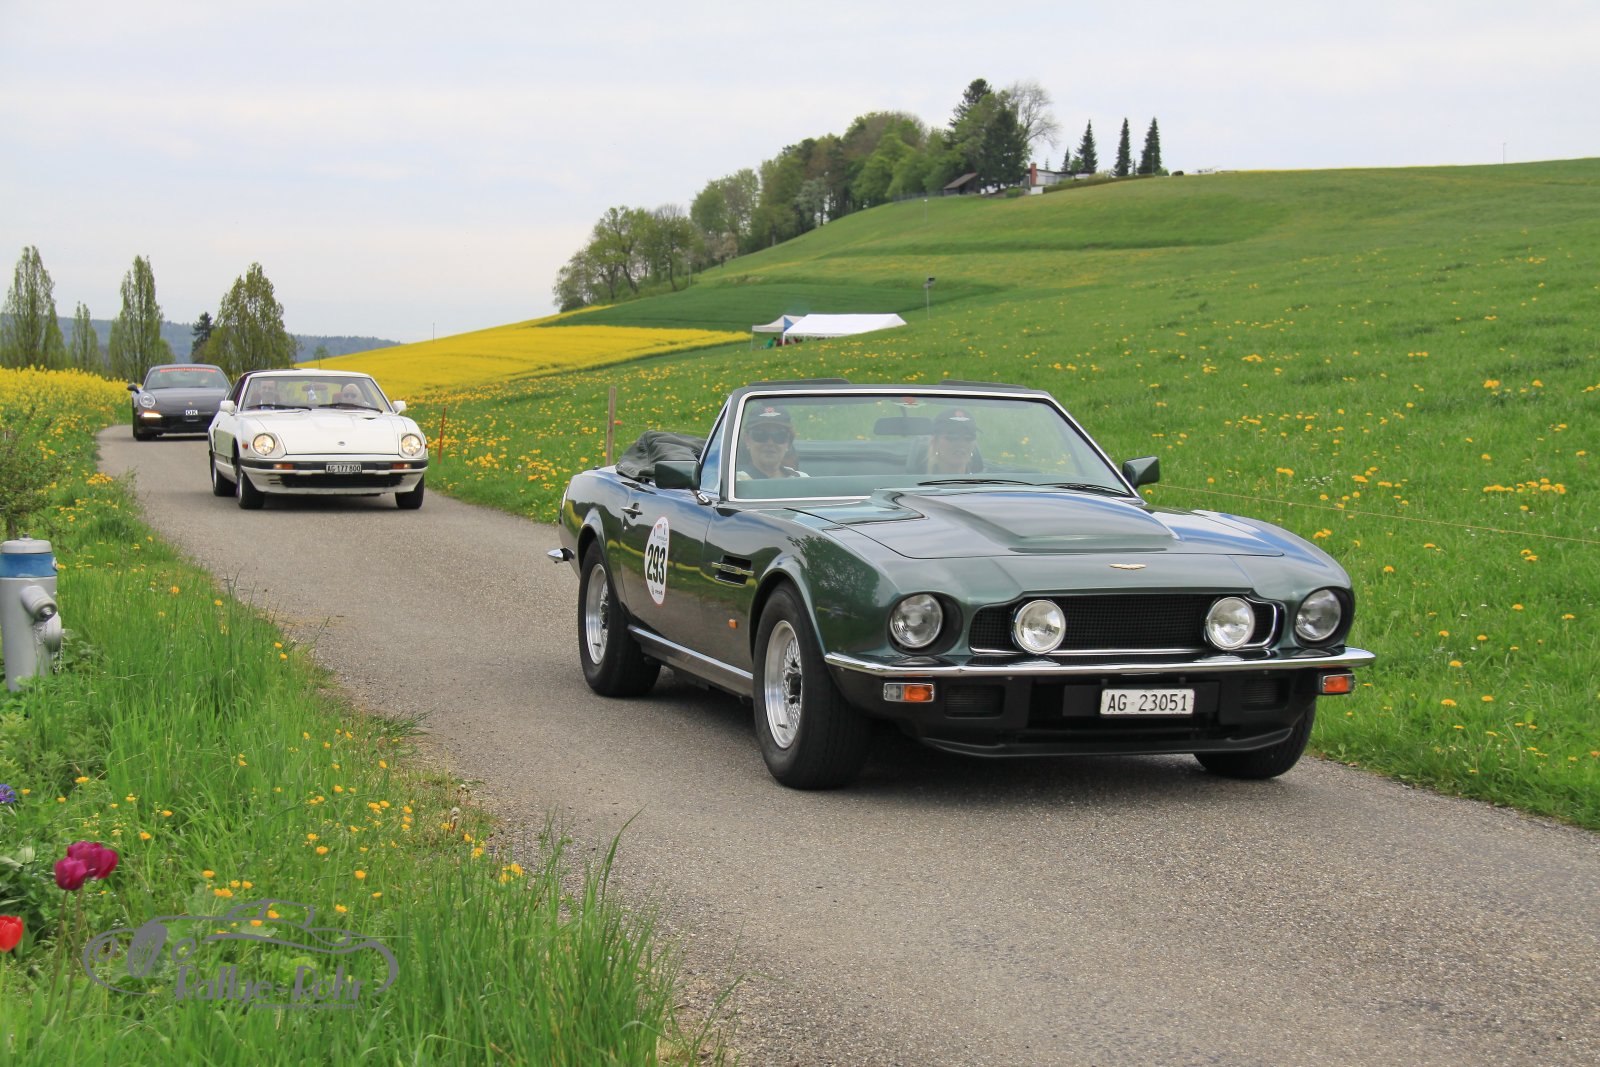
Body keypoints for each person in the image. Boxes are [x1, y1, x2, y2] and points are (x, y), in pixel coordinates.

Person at [735, 405, 808, 480]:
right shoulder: (734, 481)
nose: (770, 443)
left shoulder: (802, 479)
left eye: (779, 435)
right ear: (747, 440)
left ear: (788, 443)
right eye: (760, 435)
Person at [914, 408, 983, 475]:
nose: (961, 443)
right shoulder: (916, 481)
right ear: (935, 442)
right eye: (952, 437)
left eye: (969, 437)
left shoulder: (985, 480)